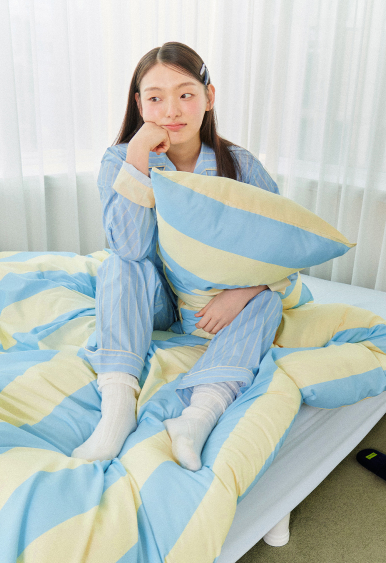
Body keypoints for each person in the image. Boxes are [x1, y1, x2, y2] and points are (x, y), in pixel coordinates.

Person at [72, 42, 286, 470]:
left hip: (213, 302)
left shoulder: (240, 166)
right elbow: (130, 248)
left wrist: (242, 294)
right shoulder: (120, 160)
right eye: (155, 98)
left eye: (186, 94)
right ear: (139, 104)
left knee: (268, 303)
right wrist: (138, 157)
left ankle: (198, 417)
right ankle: (117, 409)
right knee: (119, 266)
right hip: (154, 300)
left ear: (209, 97)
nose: (171, 110)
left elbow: (282, 246)